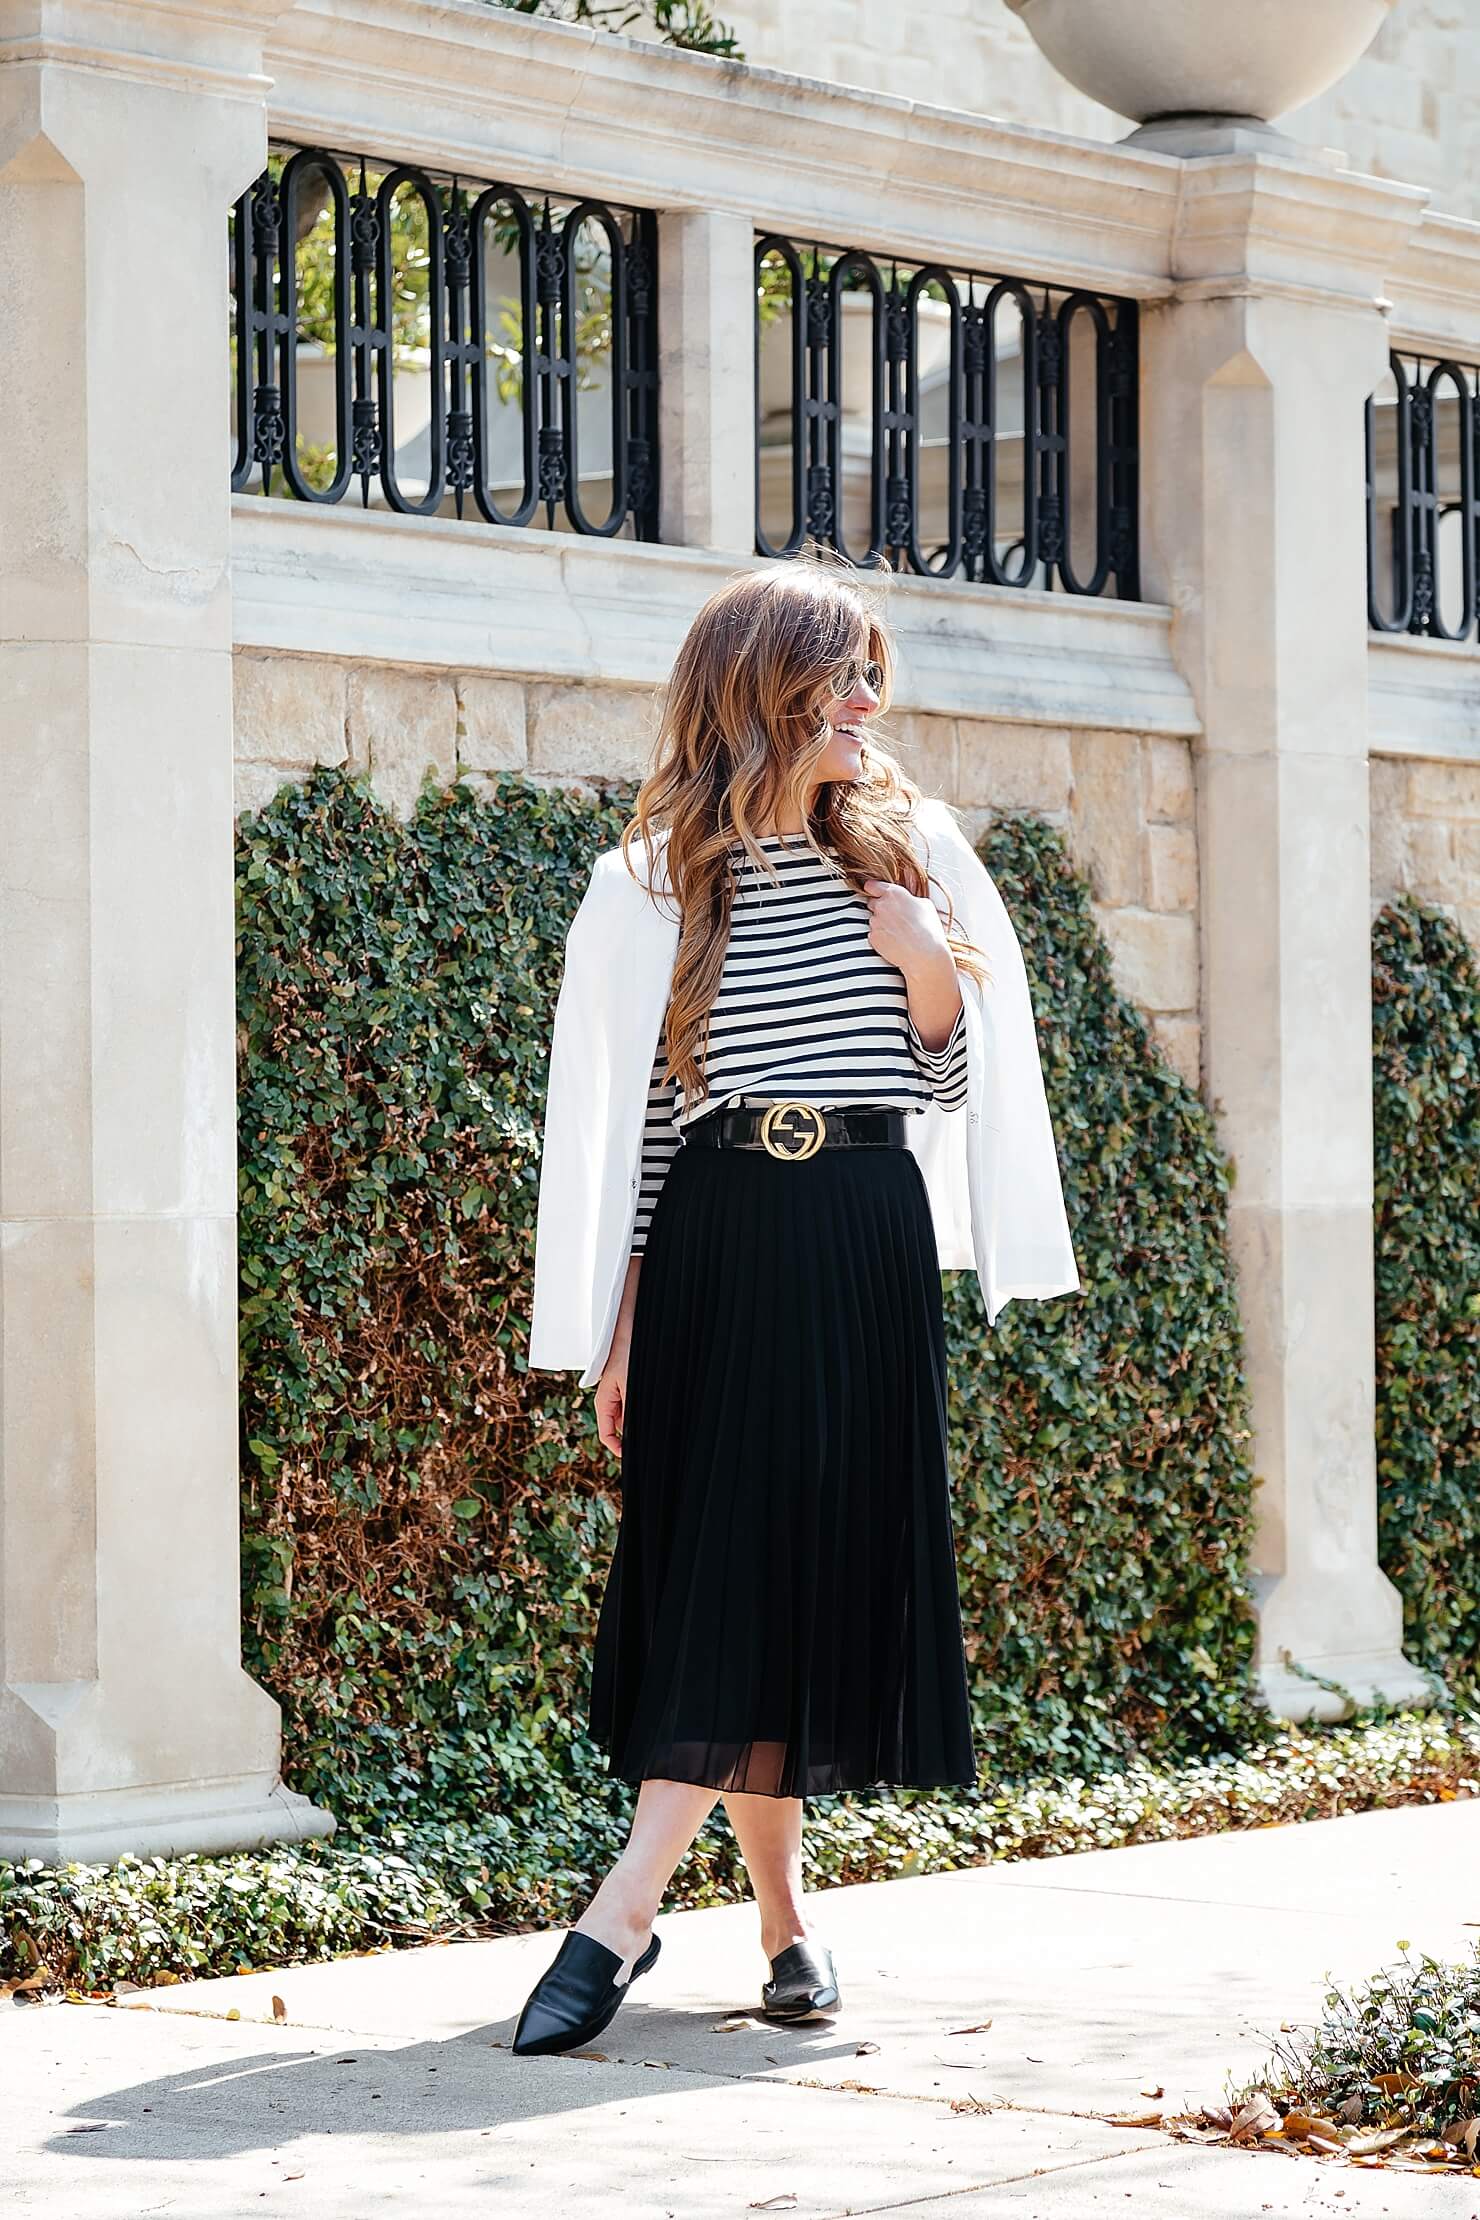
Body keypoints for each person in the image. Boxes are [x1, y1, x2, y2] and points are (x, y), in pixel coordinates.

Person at [513, 557, 1080, 2058]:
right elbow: (645, 1121)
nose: (872, 706)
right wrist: (620, 1321)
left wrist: (926, 974)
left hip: (859, 1227)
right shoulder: (653, 880)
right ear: (768, 689)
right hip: (718, 1233)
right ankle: (755, 1918)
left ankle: (643, 1911)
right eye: (847, 679)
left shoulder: (918, 858)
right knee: (732, 1557)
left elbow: (955, 1095)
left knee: (792, 1561)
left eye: (876, 679)